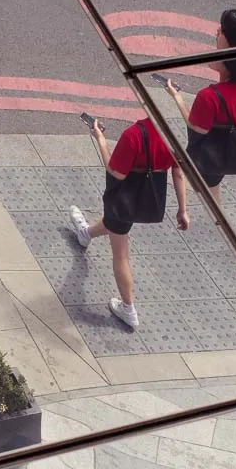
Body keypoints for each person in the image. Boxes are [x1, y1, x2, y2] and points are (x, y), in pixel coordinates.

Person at [68, 112, 189, 332]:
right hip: (146, 199)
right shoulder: (171, 134)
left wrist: (101, 140)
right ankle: (85, 234)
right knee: (114, 227)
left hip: (123, 200)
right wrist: (182, 209)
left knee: (120, 254)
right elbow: (178, 172)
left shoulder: (133, 135)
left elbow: (115, 173)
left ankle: (128, 309)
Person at [165, 7, 236, 204]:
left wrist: (177, 97)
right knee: (213, 188)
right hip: (228, 158)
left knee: (208, 193)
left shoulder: (208, 97)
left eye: (222, 31)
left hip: (207, 161)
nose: (216, 32)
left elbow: (194, 130)